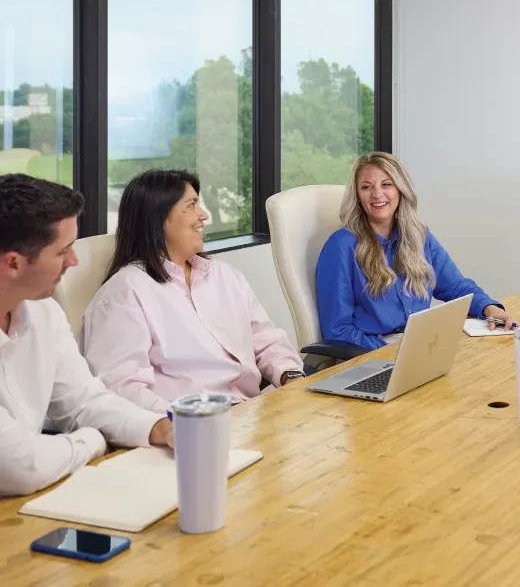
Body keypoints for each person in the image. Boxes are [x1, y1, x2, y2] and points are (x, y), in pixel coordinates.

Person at [0, 174, 173, 497]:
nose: (74, 260)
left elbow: (83, 401)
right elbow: (17, 466)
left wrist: (156, 428)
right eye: (63, 251)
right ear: (14, 263)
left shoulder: (44, 313)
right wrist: (92, 440)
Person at [81, 170, 305, 414]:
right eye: (192, 205)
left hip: (248, 415)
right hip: (183, 428)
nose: (204, 215)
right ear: (158, 218)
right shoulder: (125, 292)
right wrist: (182, 422)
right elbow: (121, 388)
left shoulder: (225, 276)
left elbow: (267, 341)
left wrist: (290, 377)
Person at [316, 152, 513, 350]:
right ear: (357, 196)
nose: (377, 194)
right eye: (366, 187)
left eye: (387, 184)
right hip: (372, 353)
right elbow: (338, 330)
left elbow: (457, 287)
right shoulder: (341, 246)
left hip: (420, 344)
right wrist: (390, 353)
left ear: (401, 190)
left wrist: (490, 308)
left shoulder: (419, 236)